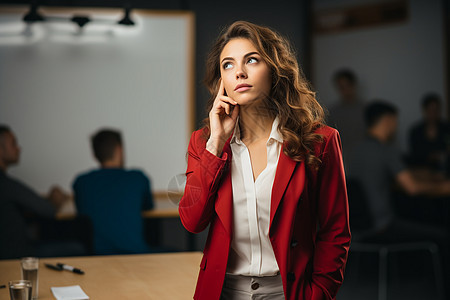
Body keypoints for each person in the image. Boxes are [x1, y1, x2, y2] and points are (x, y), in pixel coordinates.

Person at [179, 21, 350, 300]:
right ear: (221, 80)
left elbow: (336, 232)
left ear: (274, 69)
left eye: (252, 60)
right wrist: (216, 144)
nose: (240, 73)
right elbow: (192, 220)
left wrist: (318, 294)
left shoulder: (319, 140)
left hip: (289, 292)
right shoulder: (205, 143)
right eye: (228, 65)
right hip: (223, 291)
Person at [347, 101, 450, 240]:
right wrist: (444, 188)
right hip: (383, 225)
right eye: (395, 121)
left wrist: (424, 174)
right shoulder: (386, 149)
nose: (396, 126)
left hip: (358, 226)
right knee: (441, 234)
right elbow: (412, 188)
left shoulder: (356, 151)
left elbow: (382, 175)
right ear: (387, 120)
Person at [72, 129, 154, 255]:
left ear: (94, 154)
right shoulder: (138, 178)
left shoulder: (81, 182)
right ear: (119, 150)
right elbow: (148, 207)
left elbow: (81, 211)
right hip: (136, 256)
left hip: (95, 258)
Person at [0, 125, 70, 259]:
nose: (19, 148)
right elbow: (48, 210)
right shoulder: (6, 184)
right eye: (13, 143)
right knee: (78, 248)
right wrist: (55, 199)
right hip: (16, 257)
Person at [328, 69, 365, 165]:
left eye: (347, 86)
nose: (345, 90)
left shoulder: (365, 109)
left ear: (353, 85)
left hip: (364, 158)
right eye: (341, 87)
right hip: (342, 159)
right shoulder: (332, 112)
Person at [408, 93, 450, 171]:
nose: (434, 113)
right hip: (422, 170)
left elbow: (448, 144)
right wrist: (429, 156)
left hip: (444, 169)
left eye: (436, 110)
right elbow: (414, 154)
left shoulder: (446, 128)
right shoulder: (416, 131)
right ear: (424, 110)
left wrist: (442, 155)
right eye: (430, 110)